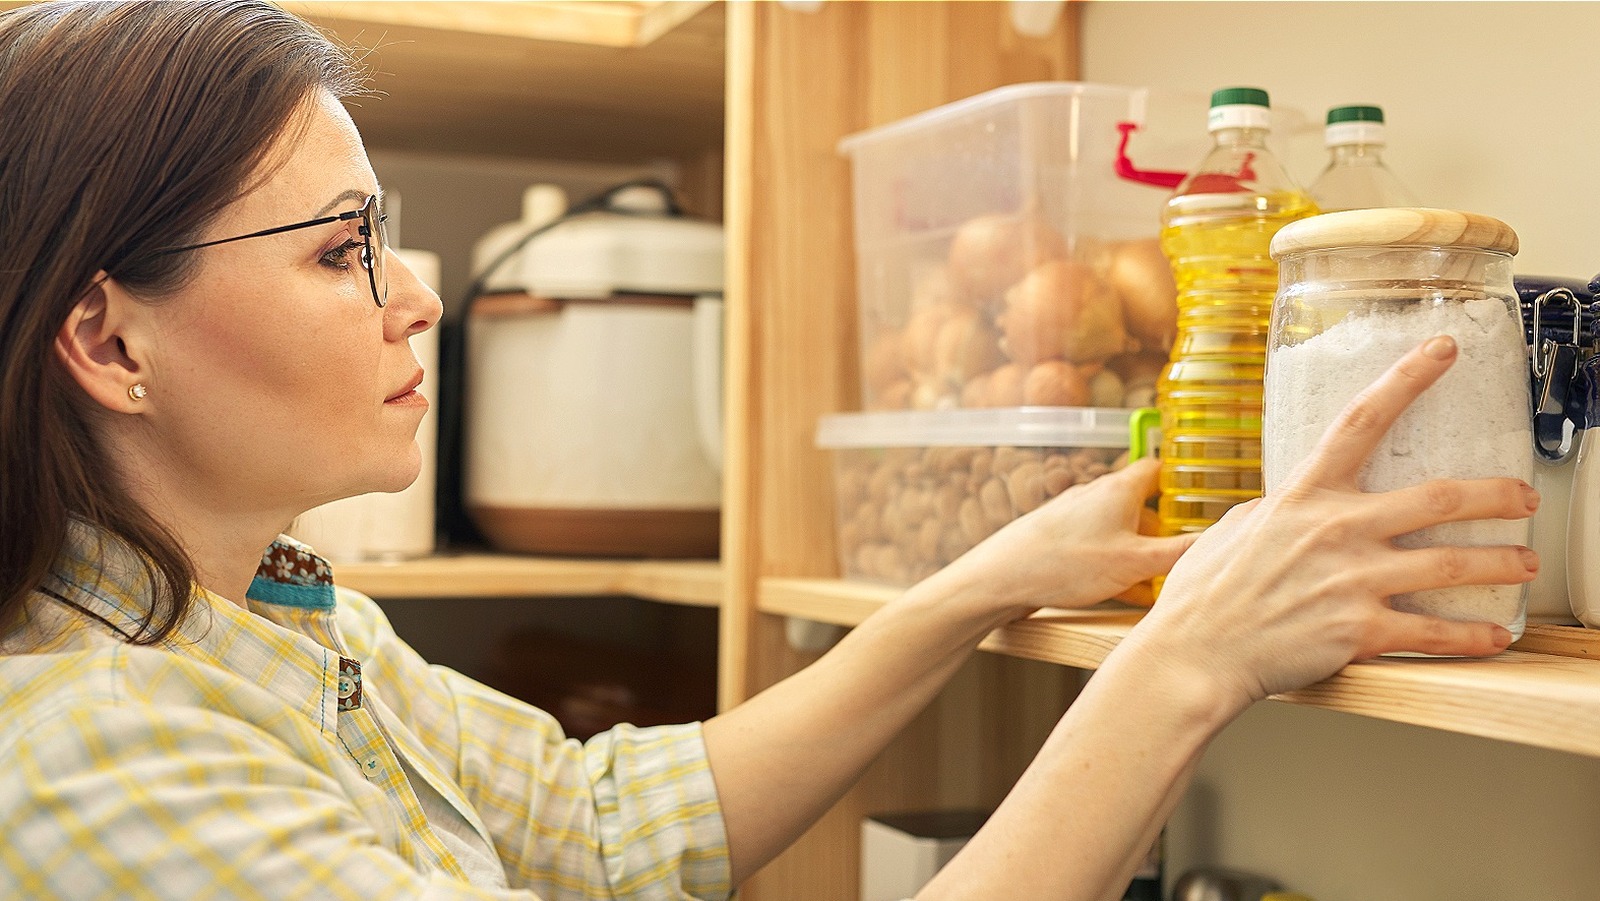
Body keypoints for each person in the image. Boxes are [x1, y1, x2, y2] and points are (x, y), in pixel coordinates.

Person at [0, 2, 1538, 899]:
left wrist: (968, 590)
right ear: (111, 341)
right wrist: (1185, 663)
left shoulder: (270, 615)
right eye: (343, 252)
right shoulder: (102, 749)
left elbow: (601, 822)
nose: (420, 292)